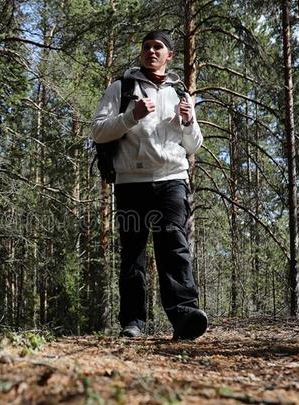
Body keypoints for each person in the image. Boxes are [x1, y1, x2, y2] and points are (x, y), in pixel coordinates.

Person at [91, 30, 207, 340]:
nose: (152, 52)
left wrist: (187, 121)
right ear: (142, 53)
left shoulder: (181, 93)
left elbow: (194, 146)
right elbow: (98, 132)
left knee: (175, 249)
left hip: (172, 180)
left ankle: (185, 317)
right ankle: (132, 323)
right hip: (132, 182)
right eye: (147, 47)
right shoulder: (121, 88)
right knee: (133, 254)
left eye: (159, 48)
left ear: (169, 56)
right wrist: (131, 116)